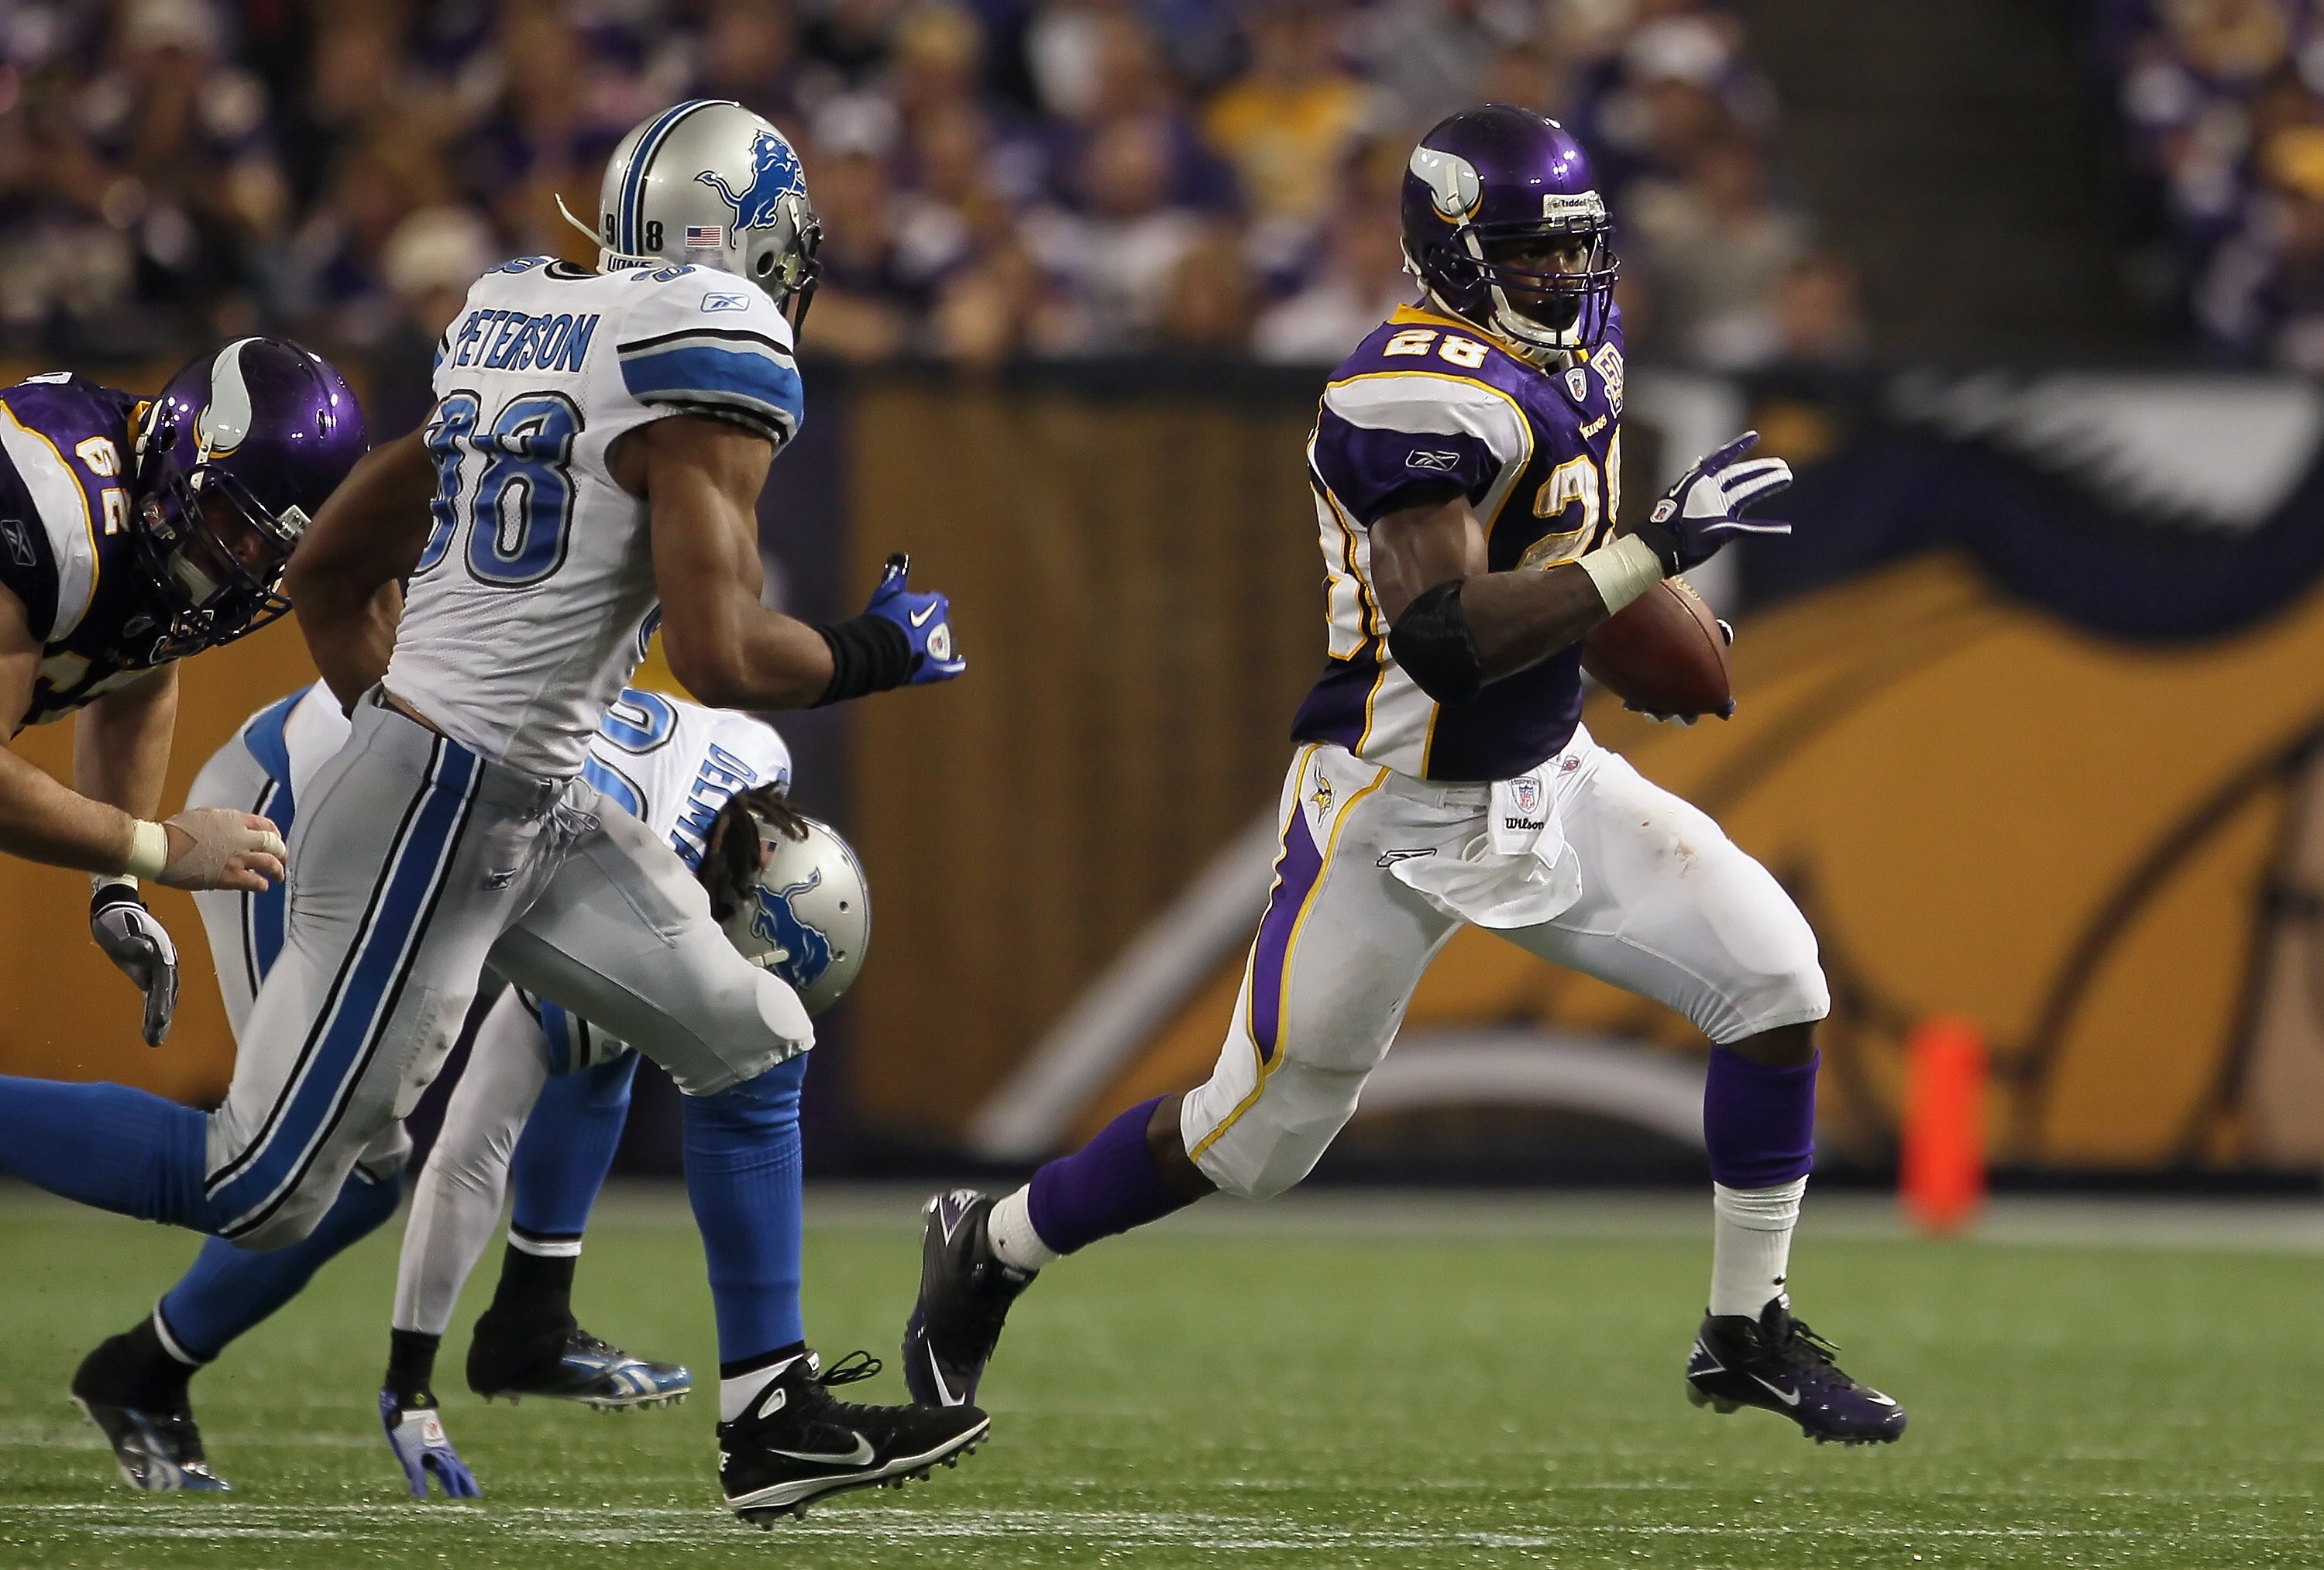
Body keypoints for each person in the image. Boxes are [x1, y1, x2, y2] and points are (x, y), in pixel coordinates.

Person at [0, 98, 988, 1521]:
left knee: (754, 1034)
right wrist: (886, 645)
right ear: (737, 240)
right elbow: (721, 652)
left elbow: (334, 570)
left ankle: (769, 1414)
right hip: (458, 793)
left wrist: (402, 715)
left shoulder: (522, 316)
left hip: (510, 783)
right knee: (261, 1185)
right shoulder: (705, 350)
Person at [902, 105, 1909, 1448]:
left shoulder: (1579, 343)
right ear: (1450, 252)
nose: (1565, 278)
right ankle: (995, 1241)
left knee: (1778, 975)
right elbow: (1444, 642)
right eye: (1532, 254)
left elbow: (1565, 544)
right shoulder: (1406, 391)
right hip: (1393, 803)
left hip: (1551, 772)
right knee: (1253, 1137)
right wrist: (1657, 555)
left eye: (1575, 250)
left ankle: (1744, 1330)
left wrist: (1632, 622)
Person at [68, 683, 815, 1498]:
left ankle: (533, 1314)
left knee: (594, 1050)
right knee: (319, 1172)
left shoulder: (758, 757)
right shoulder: (642, 878)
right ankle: (138, 1370)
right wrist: (410, 1382)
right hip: (297, 806)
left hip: (413, 783)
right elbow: (472, 1139)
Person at [0, 339, 364, 1048]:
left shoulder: (163, 533)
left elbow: (139, 666)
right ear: (181, 445)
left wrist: (117, 882)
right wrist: (158, 849)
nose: (242, 559)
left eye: (271, 547)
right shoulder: (51, 501)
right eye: (234, 520)